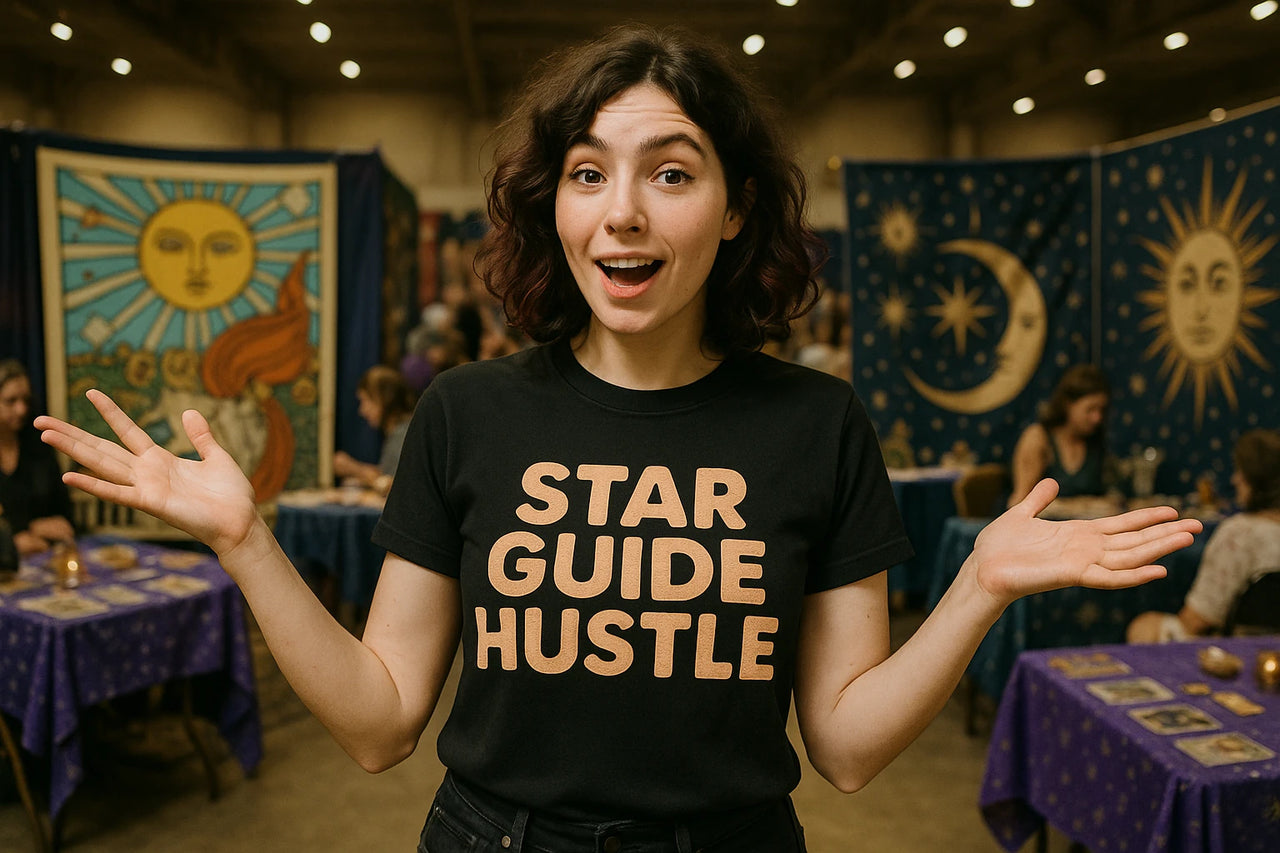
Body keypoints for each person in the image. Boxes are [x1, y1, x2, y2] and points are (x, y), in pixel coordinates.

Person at [35, 26, 1200, 853]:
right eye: (588, 173)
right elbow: (382, 720)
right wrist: (245, 539)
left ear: (735, 207)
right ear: (556, 203)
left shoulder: (813, 423)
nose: (623, 210)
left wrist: (976, 587)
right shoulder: (467, 413)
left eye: (670, 171)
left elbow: (842, 746)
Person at [1127, 428, 1280, 643]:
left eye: (1241, 472)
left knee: (1144, 627)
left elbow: (1199, 619)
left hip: (1238, 647)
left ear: (1256, 480)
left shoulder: (1240, 533)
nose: (1235, 480)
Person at [0, 359, 75, 555]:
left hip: (45, 554)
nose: (21, 409)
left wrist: (32, 528)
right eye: (11, 401)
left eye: (26, 400)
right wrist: (12, 541)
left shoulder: (38, 445)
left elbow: (64, 515)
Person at [1008, 364, 1111, 506]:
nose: (1097, 418)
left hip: (1083, 525)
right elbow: (1020, 502)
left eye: (1102, 410)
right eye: (1090, 409)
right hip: (1047, 525)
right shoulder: (1039, 438)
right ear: (1067, 404)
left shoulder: (1094, 442)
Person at [333, 365, 418, 496]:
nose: (362, 411)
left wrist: (355, 469)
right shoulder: (400, 432)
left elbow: (399, 487)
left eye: (365, 401)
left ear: (383, 399)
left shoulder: (404, 435)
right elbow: (389, 473)